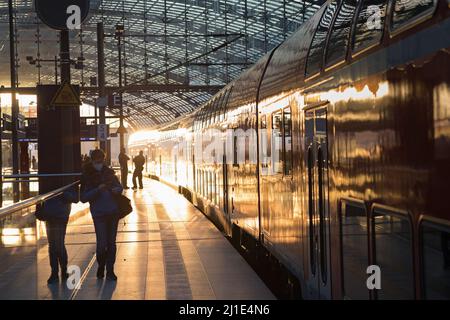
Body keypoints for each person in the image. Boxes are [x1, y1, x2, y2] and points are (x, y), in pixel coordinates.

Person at [80, 149, 123, 281]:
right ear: (92, 160)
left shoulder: (110, 173)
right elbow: (83, 197)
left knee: (111, 243)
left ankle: (110, 270)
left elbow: (119, 187)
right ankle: (101, 265)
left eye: (101, 160)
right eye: (97, 160)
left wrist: (117, 190)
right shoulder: (87, 176)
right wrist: (97, 190)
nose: (99, 162)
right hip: (99, 214)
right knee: (101, 243)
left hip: (112, 212)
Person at [42, 185, 79, 284]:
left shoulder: (64, 176)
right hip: (52, 213)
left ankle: (58, 270)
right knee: (54, 243)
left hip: (57, 213)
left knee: (56, 243)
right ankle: (59, 270)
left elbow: (75, 197)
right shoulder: (65, 175)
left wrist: (63, 194)